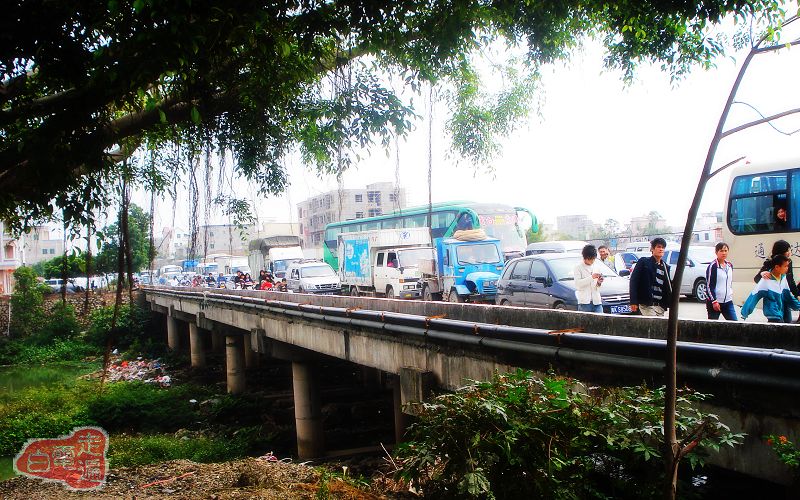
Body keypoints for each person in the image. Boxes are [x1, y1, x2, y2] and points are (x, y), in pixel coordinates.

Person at [742, 255, 800, 323]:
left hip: (780, 312)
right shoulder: (766, 280)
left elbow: (788, 296)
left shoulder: (783, 278)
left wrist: (798, 306)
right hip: (772, 314)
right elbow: (754, 296)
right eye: (785, 266)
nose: (787, 268)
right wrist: (745, 312)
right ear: (777, 267)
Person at [755, 239, 799, 322]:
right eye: (787, 250)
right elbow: (757, 279)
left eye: (790, 250)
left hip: (784, 297)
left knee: (787, 320)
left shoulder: (788, 262)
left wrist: (797, 294)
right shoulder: (770, 262)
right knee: (776, 321)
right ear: (781, 251)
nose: (789, 252)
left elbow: (790, 280)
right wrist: (763, 274)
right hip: (773, 299)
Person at [629, 237, 672, 317]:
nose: (661, 249)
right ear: (652, 249)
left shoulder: (665, 267)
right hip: (647, 305)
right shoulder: (644, 262)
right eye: (658, 247)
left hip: (660, 306)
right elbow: (634, 281)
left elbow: (667, 286)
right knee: (653, 324)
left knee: (659, 325)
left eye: (663, 247)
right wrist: (633, 301)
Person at [705, 242, 736, 321]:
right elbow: (709, 286)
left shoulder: (730, 265)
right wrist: (714, 301)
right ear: (716, 252)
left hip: (728, 301)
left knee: (734, 323)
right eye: (721, 251)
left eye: (725, 251)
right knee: (713, 326)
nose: (724, 253)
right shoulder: (713, 266)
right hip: (715, 302)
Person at [573, 244, 604, 313]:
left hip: (597, 301)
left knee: (601, 319)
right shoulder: (578, 268)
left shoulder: (596, 267)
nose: (592, 261)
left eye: (593, 259)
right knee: (585, 320)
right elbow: (578, 284)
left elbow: (598, 287)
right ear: (585, 257)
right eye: (590, 259)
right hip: (584, 302)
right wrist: (592, 277)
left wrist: (599, 282)